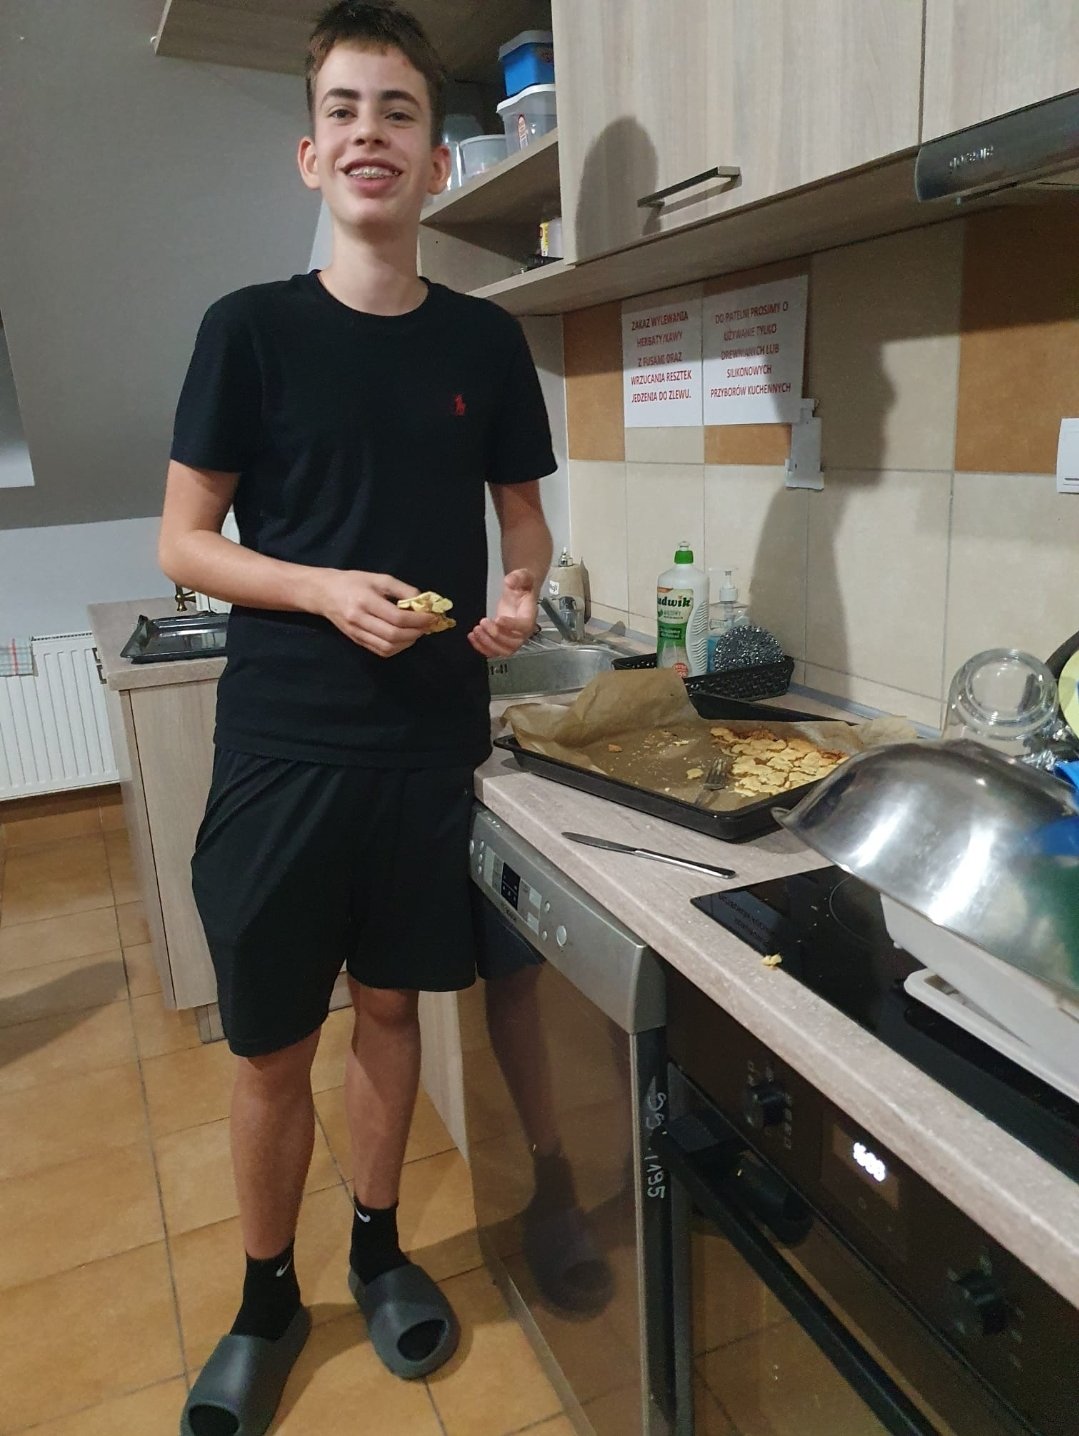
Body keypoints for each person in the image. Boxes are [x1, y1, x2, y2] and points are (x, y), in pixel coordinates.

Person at [158, 3, 555, 1431]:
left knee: (392, 1009)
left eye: (399, 111)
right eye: (345, 109)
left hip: (429, 745)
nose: (370, 133)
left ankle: (377, 1251)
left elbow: (524, 528)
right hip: (285, 744)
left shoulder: (486, 343)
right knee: (272, 1044)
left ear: (438, 162)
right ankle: (267, 1297)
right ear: (309, 153)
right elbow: (184, 544)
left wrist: (519, 598)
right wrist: (321, 589)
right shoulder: (250, 331)